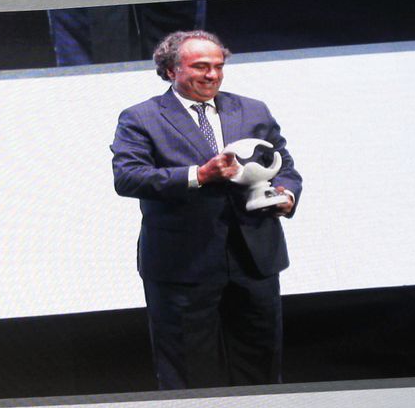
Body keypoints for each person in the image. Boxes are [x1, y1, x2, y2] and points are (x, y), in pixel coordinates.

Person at [111, 31, 302, 389]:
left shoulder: (252, 109)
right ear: (170, 70)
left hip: (254, 260)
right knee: (190, 374)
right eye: (200, 66)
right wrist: (199, 175)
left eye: (218, 66)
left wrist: (286, 195)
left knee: (261, 368)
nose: (212, 75)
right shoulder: (141, 117)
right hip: (183, 266)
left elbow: (284, 165)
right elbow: (129, 177)